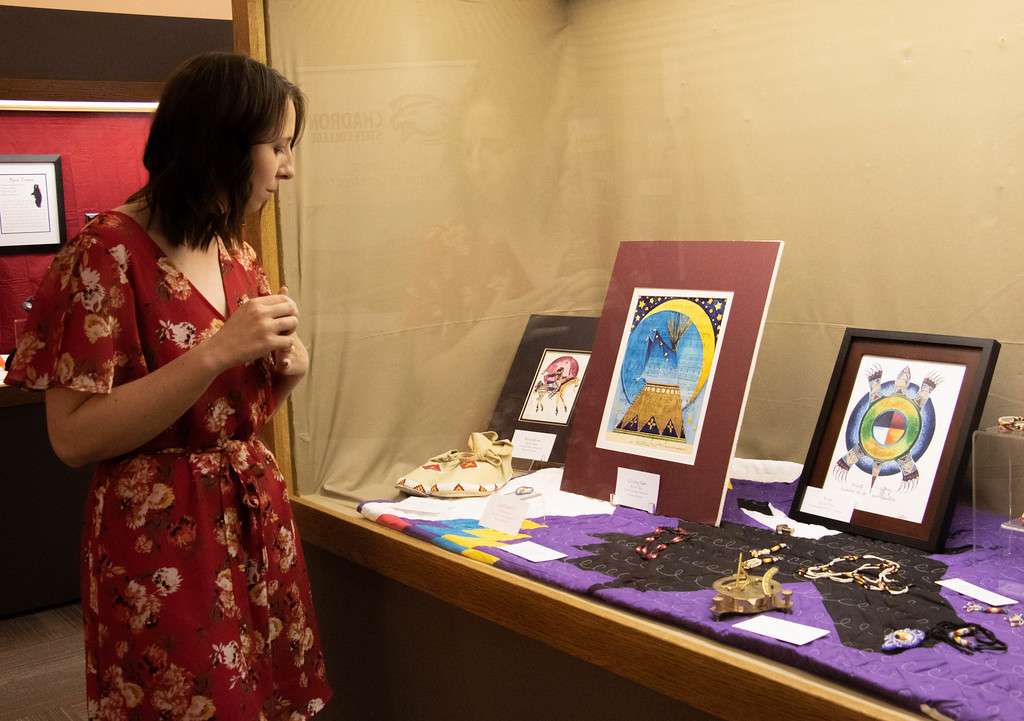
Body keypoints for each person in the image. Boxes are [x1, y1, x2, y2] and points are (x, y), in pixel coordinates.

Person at [6, 53, 331, 720]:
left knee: (263, 698)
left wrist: (285, 376)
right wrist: (215, 353)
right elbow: (71, 437)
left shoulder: (234, 252)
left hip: (252, 519)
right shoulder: (105, 253)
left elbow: (226, 415)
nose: (288, 167)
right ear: (220, 143)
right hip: (162, 543)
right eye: (278, 147)